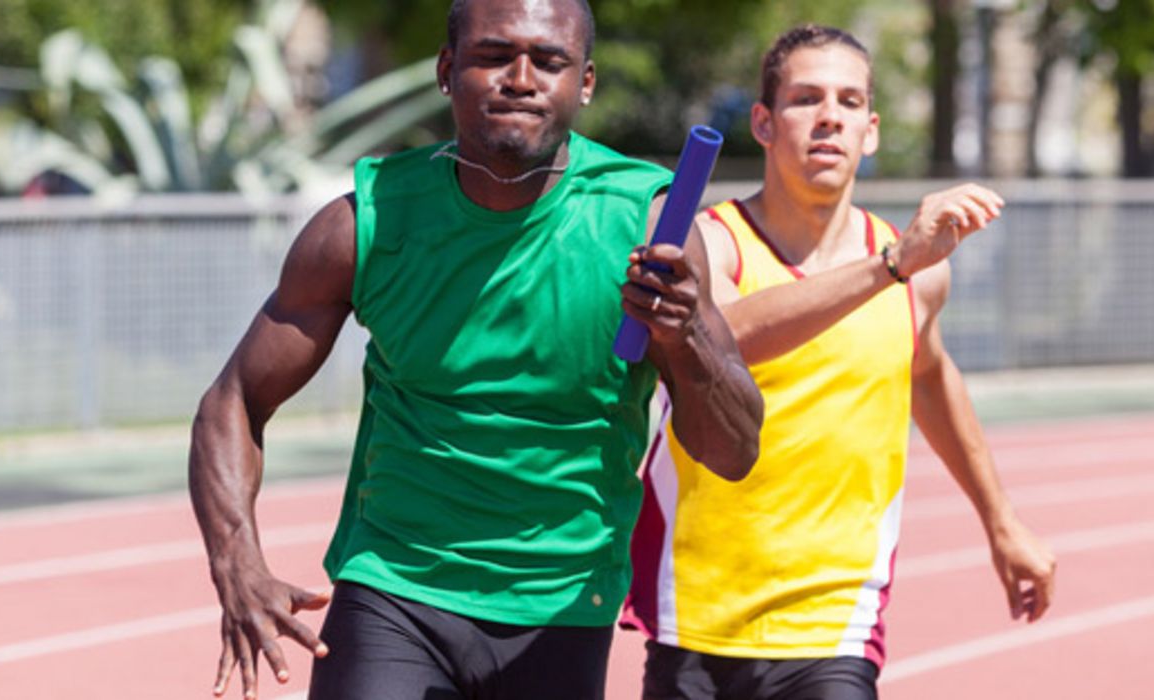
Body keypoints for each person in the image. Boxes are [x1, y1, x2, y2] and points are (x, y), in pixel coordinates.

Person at [187, 0, 764, 698]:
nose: (519, 79)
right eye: (493, 55)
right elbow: (233, 402)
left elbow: (734, 451)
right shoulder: (365, 222)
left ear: (584, 83)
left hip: (559, 602)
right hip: (394, 585)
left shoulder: (643, 222)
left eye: (548, 61)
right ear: (446, 68)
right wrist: (236, 563)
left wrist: (688, 334)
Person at [622, 24, 1057, 699]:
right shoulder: (714, 243)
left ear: (872, 130)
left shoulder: (916, 274)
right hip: (697, 615)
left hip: (834, 625)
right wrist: (887, 268)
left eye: (849, 102)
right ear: (763, 123)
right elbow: (721, 340)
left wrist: (1001, 522)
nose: (829, 117)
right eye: (806, 99)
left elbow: (930, 376)